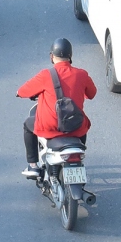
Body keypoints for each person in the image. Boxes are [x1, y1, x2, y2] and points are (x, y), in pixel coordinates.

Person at [16, 38, 96, 179]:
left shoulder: (45, 75)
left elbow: (22, 91)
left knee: (28, 125)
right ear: (70, 56)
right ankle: (78, 159)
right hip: (76, 128)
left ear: (52, 56)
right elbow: (92, 93)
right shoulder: (81, 74)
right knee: (83, 126)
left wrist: (20, 93)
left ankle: (33, 165)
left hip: (50, 127)